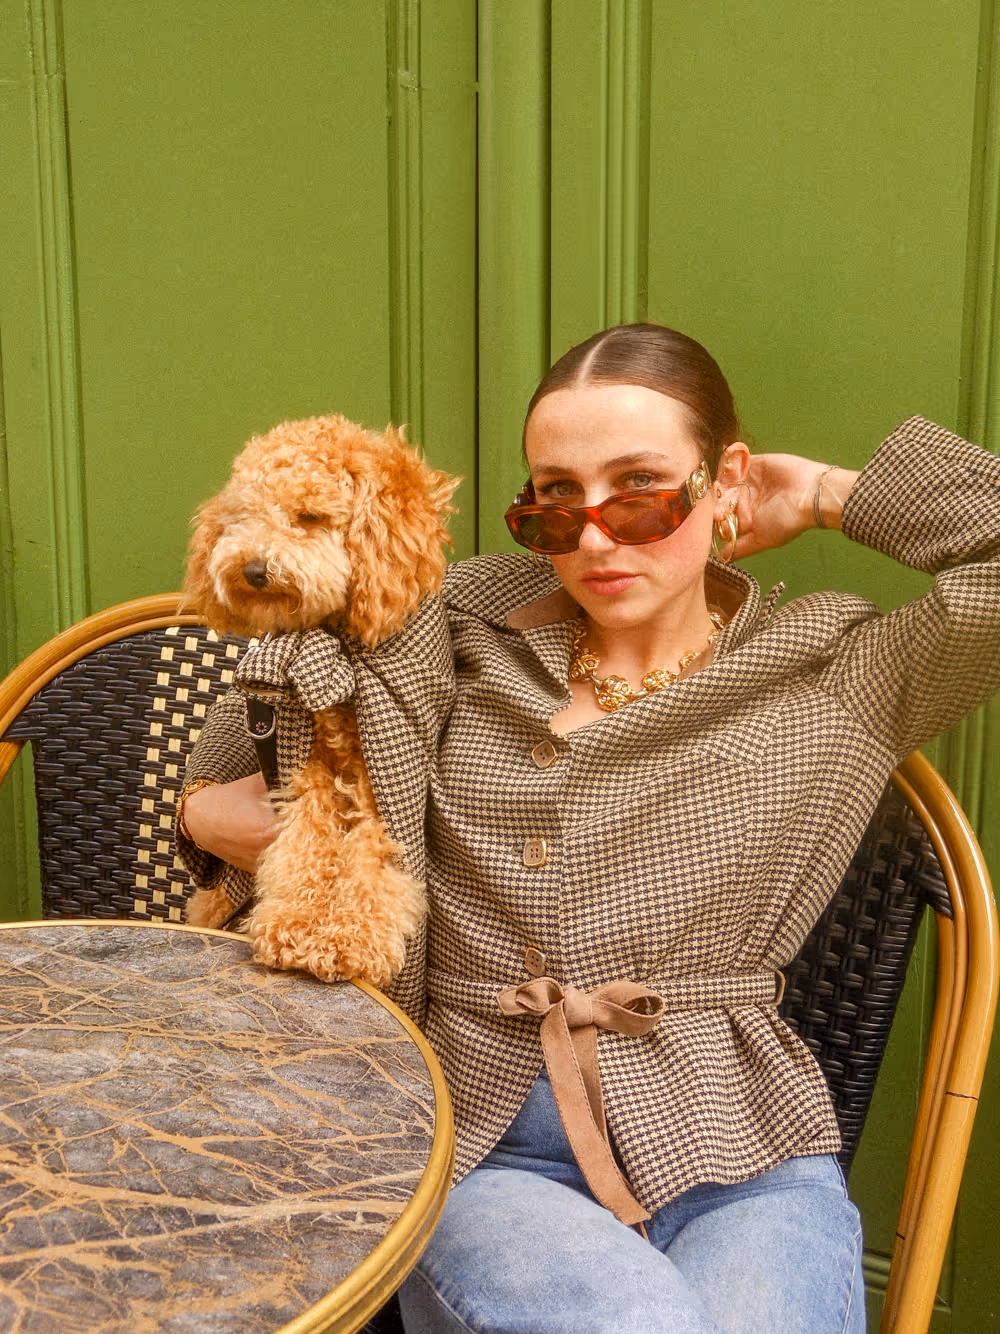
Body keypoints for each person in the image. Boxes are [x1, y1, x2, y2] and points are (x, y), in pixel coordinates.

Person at [177, 324, 1000, 1334]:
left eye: (642, 492)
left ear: (723, 478)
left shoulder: (835, 667)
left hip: (734, 1141)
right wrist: (210, 815)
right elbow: (243, 745)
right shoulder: (448, 631)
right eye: (554, 505)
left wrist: (833, 491)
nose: (598, 540)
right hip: (477, 1133)